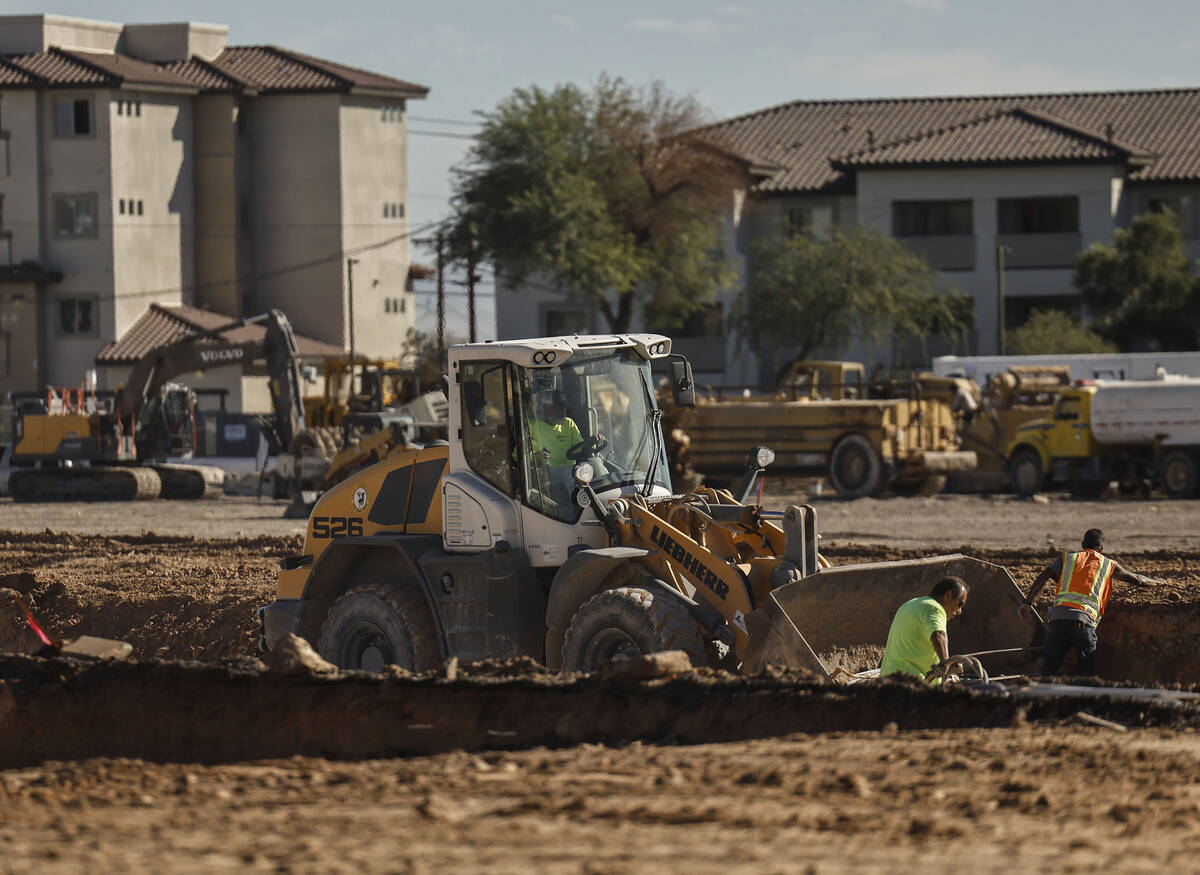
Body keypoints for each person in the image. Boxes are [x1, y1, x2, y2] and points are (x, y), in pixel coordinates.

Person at [1023, 528, 1163, 677]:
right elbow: (1137, 580)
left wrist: (1028, 602)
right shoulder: (1108, 564)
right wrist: (1158, 582)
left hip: (1057, 620)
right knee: (1086, 672)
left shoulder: (1067, 558)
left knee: (1048, 670)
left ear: (1083, 544)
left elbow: (1044, 576)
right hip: (1083, 621)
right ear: (1101, 548)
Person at [879, 576, 969, 682]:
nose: (959, 611)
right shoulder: (934, 608)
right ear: (948, 595)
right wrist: (945, 663)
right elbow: (938, 635)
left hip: (887, 681)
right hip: (909, 683)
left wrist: (948, 666)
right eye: (960, 604)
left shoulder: (910, 605)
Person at [529, 391, 586, 506]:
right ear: (547, 408)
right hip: (546, 473)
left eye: (564, 407)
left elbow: (581, 448)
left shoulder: (568, 423)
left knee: (584, 487)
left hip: (569, 470)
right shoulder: (533, 425)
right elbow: (517, 455)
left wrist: (592, 443)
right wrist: (535, 456)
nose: (563, 411)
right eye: (559, 408)